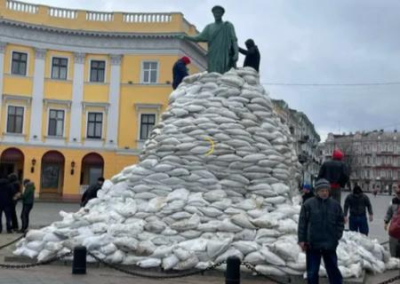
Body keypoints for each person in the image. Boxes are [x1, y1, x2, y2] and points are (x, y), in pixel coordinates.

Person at [298, 179, 344, 284]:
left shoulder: (335, 205)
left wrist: (337, 236)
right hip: (313, 244)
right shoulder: (308, 204)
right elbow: (302, 223)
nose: (324, 193)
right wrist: (302, 240)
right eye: (322, 190)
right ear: (317, 191)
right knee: (312, 272)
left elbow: (340, 222)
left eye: (326, 190)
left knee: (333, 271)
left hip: (330, 244)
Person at [181, 5, 238, 74]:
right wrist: (185, 37)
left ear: (222, 14)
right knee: (213, 73)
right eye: (215, 13)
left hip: (224, 53)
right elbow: (198, 38)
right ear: (213, 14)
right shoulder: (209, 27)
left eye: (219, 12)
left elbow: (234, 40)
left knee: (224, 72)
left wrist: (236, 53)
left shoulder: (228, 26)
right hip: (213, 53)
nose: (217, 14)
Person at [384, 188, 400, 257]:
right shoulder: (393, 202)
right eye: (398, 193)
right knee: (393, 253)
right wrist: (386, 222)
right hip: (394, 231)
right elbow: (389, 213)